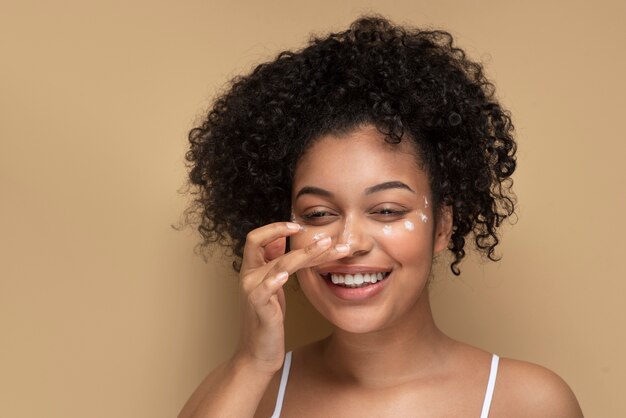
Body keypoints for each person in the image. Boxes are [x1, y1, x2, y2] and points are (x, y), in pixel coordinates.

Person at [178, 14, 583, 417]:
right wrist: (252, 362)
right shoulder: (247, 392)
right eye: (318, 213)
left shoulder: (528, 402)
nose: (349, 243)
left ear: (442, 225)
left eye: (387, 210)